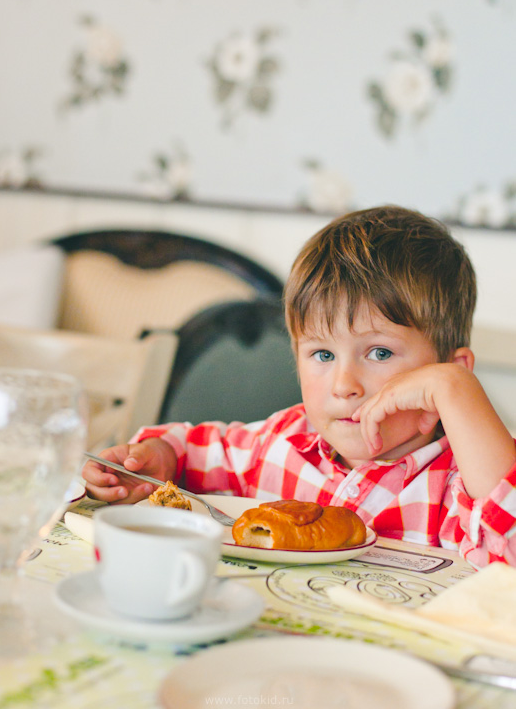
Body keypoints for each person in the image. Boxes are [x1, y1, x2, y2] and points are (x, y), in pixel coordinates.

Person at [82, 205, 516, 568]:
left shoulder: (460, 482)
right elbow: (191, 448)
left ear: (449, 370)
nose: (345, 385)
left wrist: (459, 393)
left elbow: (508, 548)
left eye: (380, 353)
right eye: (323, 355)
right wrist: (158, 458)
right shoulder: (281, 444)